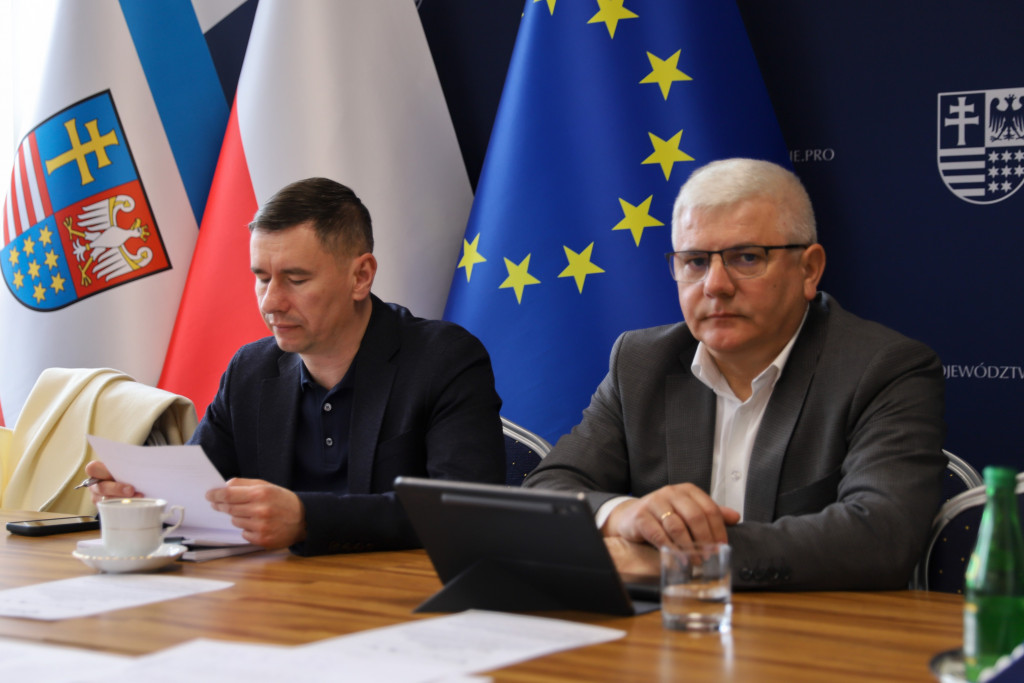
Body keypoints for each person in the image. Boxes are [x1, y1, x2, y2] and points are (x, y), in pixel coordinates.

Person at [523, 158, 946, 590]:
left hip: (809, 626)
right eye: (695, 261)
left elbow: (881, 535)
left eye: (746, 258)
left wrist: (680, 560)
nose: (715, 285)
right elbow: (547, 490)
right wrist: (621, 514)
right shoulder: (641, 361)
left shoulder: (884, 369)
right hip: (667, 625)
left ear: (809, 269)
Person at [87, 178, 505, 555]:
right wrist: (144, 499)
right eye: (262, 277)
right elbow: (198, 498)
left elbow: (464, 510)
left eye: (296, 279)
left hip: (402, 598)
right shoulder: (249, 370)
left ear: (361, 276)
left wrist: (307, 518)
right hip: (275, 596)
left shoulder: (444, 359)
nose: (271, 302)